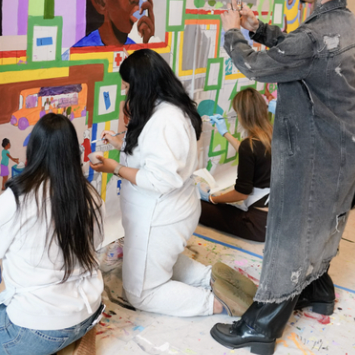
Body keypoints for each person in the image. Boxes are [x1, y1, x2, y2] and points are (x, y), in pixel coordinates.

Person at [216, 0, 355, 353]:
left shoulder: (317, 35)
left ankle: (262, 324)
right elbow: (299, 47)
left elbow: (259, 66)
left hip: (316, 154)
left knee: (288, 234)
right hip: (341, 152)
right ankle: (318, 293)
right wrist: (257, 27)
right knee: (321, 227)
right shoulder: (342, 22)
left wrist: (232, 33)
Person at [88, 48, 250, 317]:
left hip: (161, 215)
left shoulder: (166, 120)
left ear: (142, 84)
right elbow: (153, 153)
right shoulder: (166, 107)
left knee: (141, 293)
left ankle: (214, 304)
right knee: (151, 264)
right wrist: (120, 143)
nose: (126, 94)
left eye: (128, 87)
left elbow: (159, 178)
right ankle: (211, 277)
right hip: (163, 211)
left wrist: (114, 167)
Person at [0, 114, 105, 355]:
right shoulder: (90, 194)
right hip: (89, 310)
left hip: (41, 326)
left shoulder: (18, 198)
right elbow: (96, 243)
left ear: (33, 150)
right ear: (73, 151)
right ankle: (77, 340)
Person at [198, 88, 272, 243]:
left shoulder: (250, 145)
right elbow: (252, 155)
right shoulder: (271, 136)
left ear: (243, 115)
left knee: (197, 207)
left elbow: (241, 194)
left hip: (258, 225)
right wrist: (225, 133)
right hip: (276, 219)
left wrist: (212, 198)